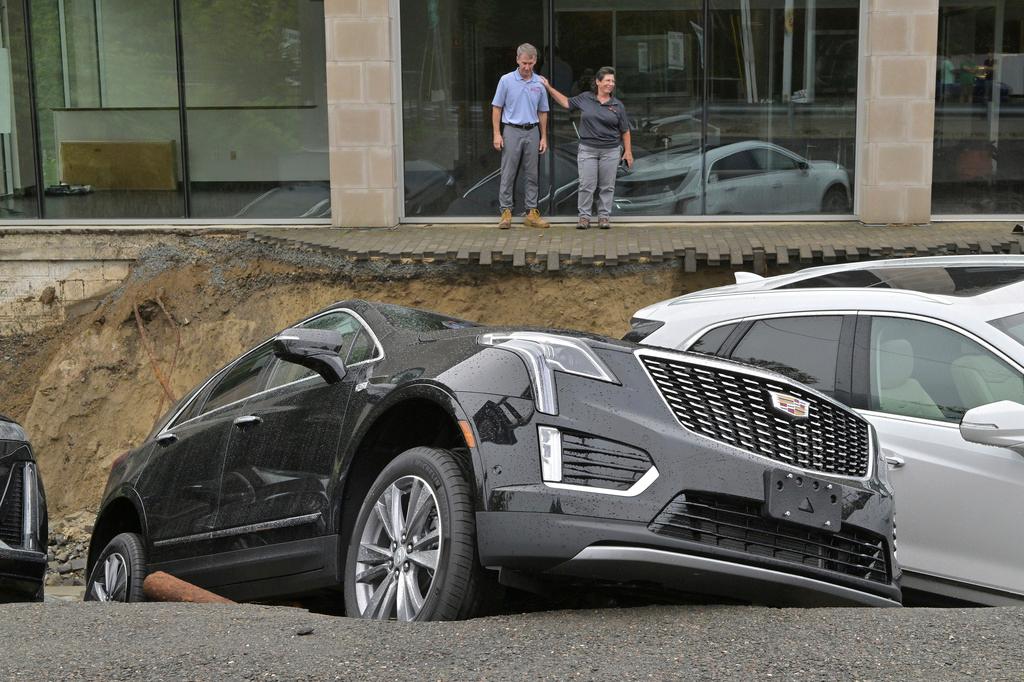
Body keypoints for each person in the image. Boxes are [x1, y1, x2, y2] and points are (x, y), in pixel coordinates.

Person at [539, 66, 633, 229]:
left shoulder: (618, 105)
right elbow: (566, 102)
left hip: (610, 151)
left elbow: (625, 130)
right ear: (598, 82)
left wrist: (628, 152)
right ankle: (584, 217)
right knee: (586, 185)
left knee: (607, 186)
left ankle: (604, 217)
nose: (611, 84)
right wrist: (548, 88)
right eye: (607, 80)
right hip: (587, 149)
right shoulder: (585, 98)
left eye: (613, 81)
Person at [491, 43, 550, 230]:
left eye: (531, 63)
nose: (527, 67)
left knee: (532, 173)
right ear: (517, 60)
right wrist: (497, 134)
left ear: (535, 62)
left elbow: (543, 111)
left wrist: (543, 137)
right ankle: (506, 212)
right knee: (508, 172)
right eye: (524, 63)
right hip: (511, 130)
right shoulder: (506, 80)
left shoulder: (540, 82)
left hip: (532, 130)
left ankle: (531, 212)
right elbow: (497, 108)